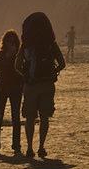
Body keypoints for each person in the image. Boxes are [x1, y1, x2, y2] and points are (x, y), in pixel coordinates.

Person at [15, 11, 65, 159]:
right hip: (47, 85)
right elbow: (62, 64)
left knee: (29, 118)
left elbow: (17, 65)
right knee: (44, 117)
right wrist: (53, 73)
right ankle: (41, 147)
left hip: (31, 86)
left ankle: (29, 148)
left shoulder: (26, 45)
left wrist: (26, 76)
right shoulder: (51, 44)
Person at [0, 29, 23, 156]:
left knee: (16, 118)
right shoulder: (1, 54)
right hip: (1, 89)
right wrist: (8, 56)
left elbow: (21, 71)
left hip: (15, 88)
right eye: (8, 41)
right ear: (5, 42)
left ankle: (16, 145)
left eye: (13, 41)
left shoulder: (19, 55)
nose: (11, 43)